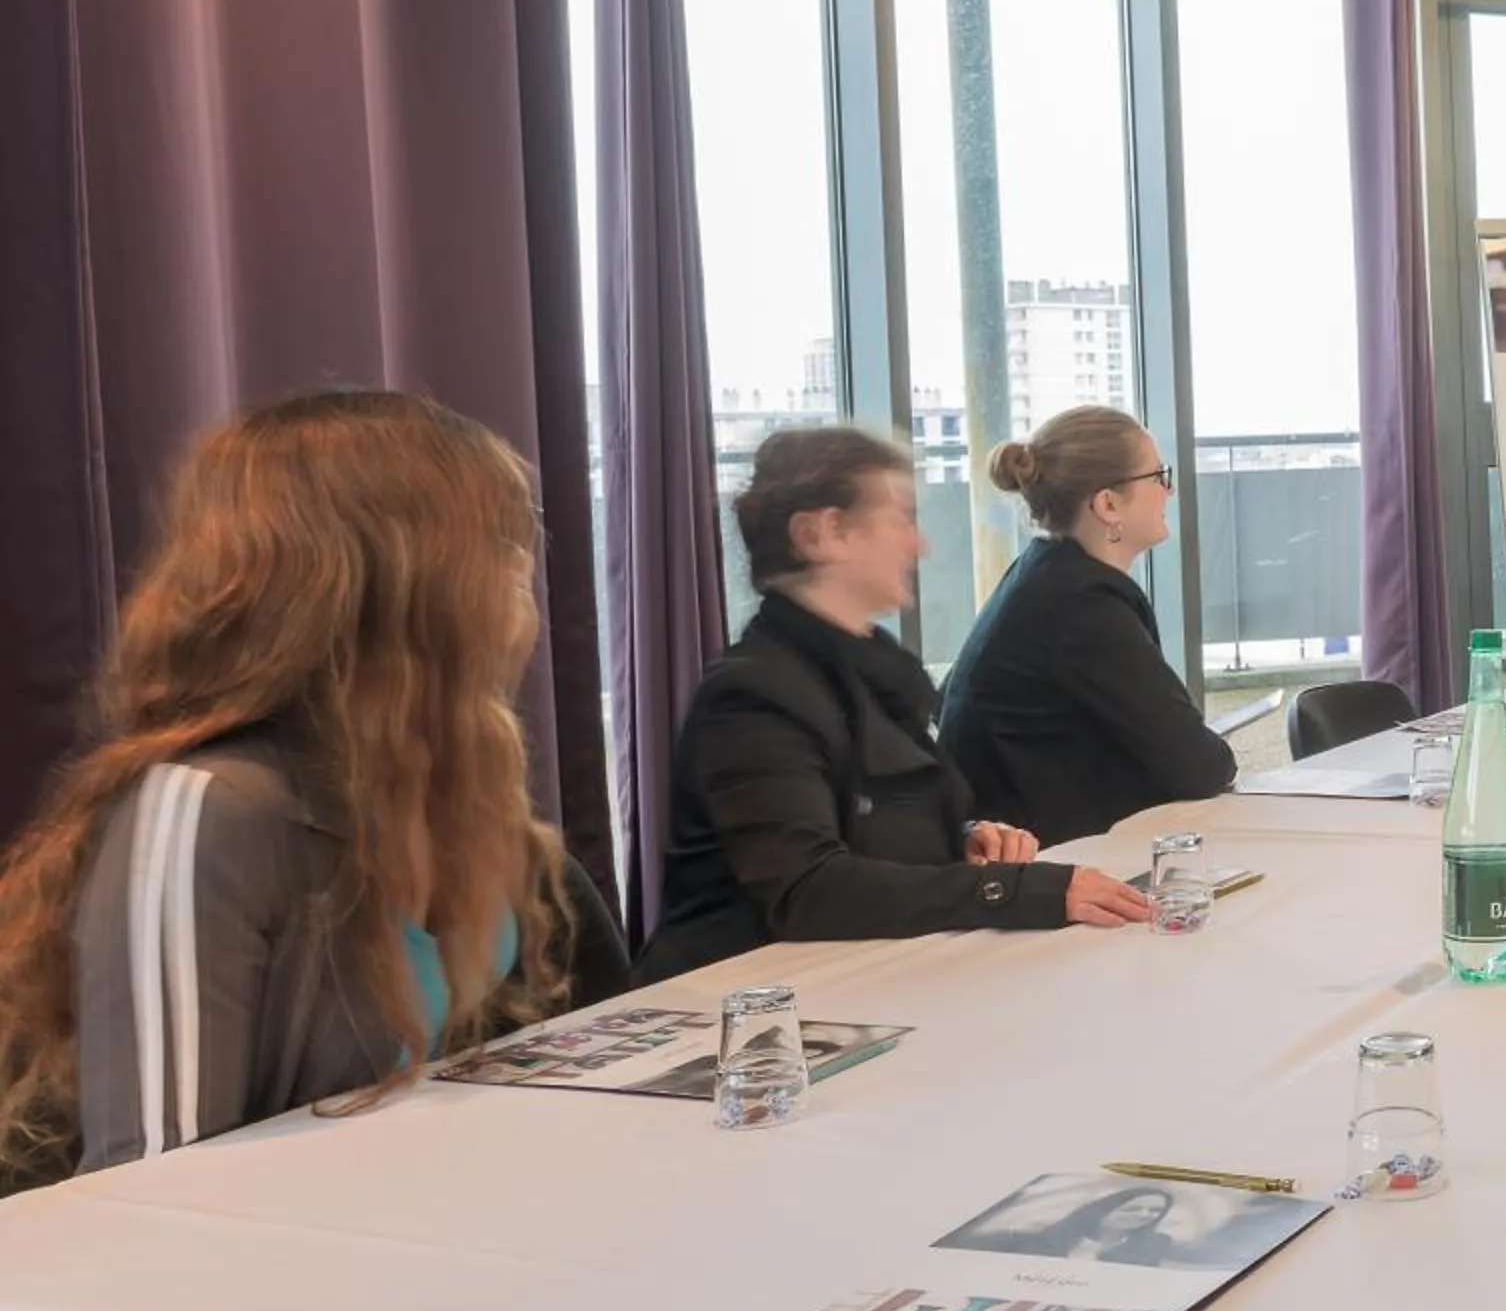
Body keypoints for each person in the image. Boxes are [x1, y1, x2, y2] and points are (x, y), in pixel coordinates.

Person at [0, 390, 606, 1185]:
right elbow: (155, 1197)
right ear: (390, 576)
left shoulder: (475, 799)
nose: (525, 565)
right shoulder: (207, 807)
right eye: (494, 540)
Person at [640, 428, 1150, 984]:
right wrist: (1024, 890)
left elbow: (859, 829)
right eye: (901, 519)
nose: (920, 545)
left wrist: (961, 839)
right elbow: (808, 889)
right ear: (823, 533)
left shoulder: (872, 671)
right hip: (742, 1013)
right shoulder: (751, 698)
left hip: (854, 981)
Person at [938, 407, 1239, 847]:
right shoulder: (1082, 607)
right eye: (1158, 476)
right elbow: (1198, 767)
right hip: (1043, 863)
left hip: (1028, 844)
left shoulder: (1041, 574)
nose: (1168, 491)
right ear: (1108, 503)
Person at [957, 1184, 1183, 1265]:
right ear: (1104, 1208)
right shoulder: (1041, 1234)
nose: (1145, 1215)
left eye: (1155, 1211)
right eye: (1132, 1208)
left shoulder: (1155, 1244)